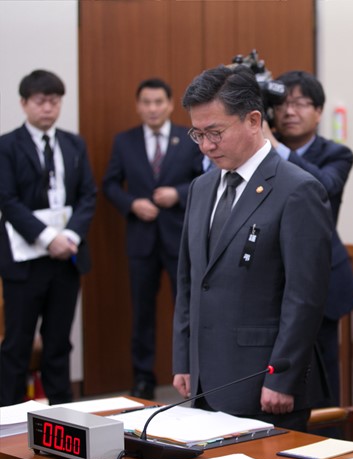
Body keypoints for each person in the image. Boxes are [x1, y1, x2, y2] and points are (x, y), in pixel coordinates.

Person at [172, 65, 333, 431]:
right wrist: (183, 359)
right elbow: (189, 282)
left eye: (215, 133)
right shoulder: (201, 187)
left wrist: (282, 376)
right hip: (202, 381)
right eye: (198, 134)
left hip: (263, 383)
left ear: (253, 120)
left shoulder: (298, 189)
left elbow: (304, 297)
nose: (206, 146)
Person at [0, 70, 97, 406]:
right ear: (24, 103)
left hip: (66, 258)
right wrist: (46, 238)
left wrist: (68, 236)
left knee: (58, 342)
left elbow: (88, 194)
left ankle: (62, 413)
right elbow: (7, 200)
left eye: (54, 101)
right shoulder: (7, 145)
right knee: (17, 343)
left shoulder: (73, 143)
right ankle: (9, 417)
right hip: (24, 262)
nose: (48, 108)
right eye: (41, 101)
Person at [264, 70, 353, 407]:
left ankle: (328, 431)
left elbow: (325, 186)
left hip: (324, 280)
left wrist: (275, 147)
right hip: (274, 279)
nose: (289, 111)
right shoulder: (258, 153)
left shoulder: (336, 153)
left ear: (318, 111)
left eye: (300, 103)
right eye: (282, 104)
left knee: (322, 373)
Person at [102, 78, 203, 400]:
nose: (152, 108)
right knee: (142, 312)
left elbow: (207, 178)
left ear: (171, 104)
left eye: (158, 102)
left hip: (179, 238)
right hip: (141, 240)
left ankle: (192, 373)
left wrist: (178, 194)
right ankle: (143, 378)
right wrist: (132, 203)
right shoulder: (124, 141)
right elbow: (110, 184)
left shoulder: (189, 138)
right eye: (146, 102)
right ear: (138, 106)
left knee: (186, 309)